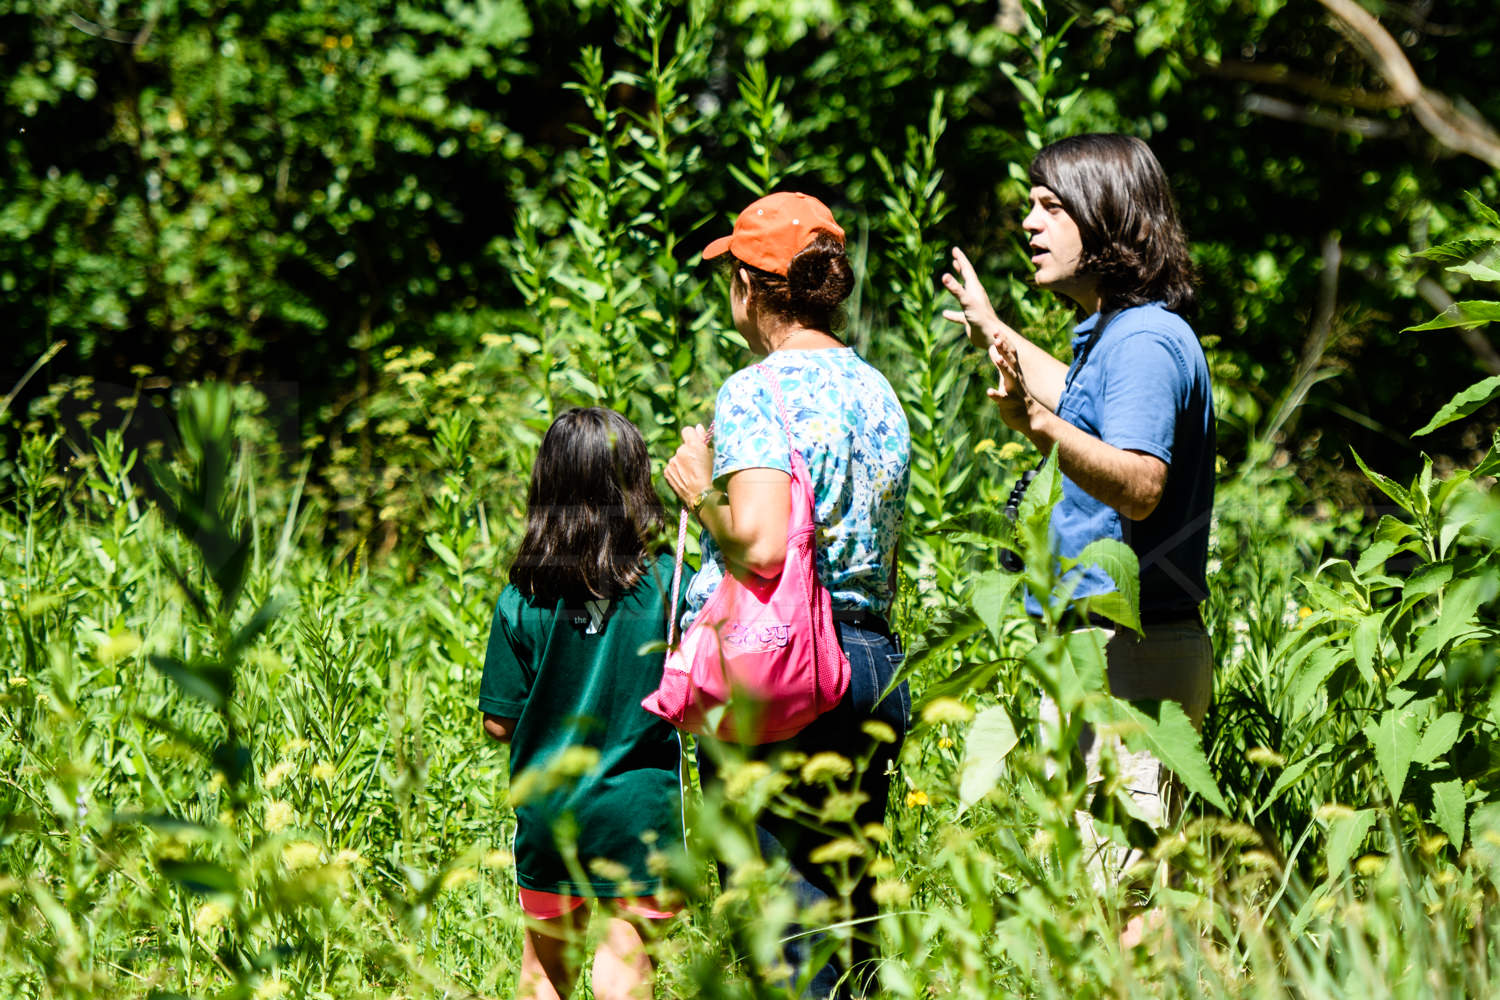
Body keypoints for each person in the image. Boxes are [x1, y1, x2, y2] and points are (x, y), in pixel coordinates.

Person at [941, 134, 1216, 874]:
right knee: (1117, 896)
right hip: (1110, 654)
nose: (1029, 223)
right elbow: (1082, 403)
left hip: (1129, 655)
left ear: (1109, 218)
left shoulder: (1145, 342)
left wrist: (1040, 429)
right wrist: (991, 330)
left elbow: (1139, 481)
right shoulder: (1118, 336)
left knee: (1121, 903)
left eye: (1051, 207)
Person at [663, 191, 911, 998]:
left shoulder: (757, 392)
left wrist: (701, 490)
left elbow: (763, 544)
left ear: (748, 285)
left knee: (782, 930)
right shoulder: (877, 390)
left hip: (786, 671)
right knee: (846, 915)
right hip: (871, 661)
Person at [479, 407, 684, 1000]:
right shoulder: (668, 583)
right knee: (626, 969)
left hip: (550, 813)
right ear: (636, 484)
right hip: (636, 813)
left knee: (543, 973)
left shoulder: (522, 596)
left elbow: (499, 721)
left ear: (548, 487)